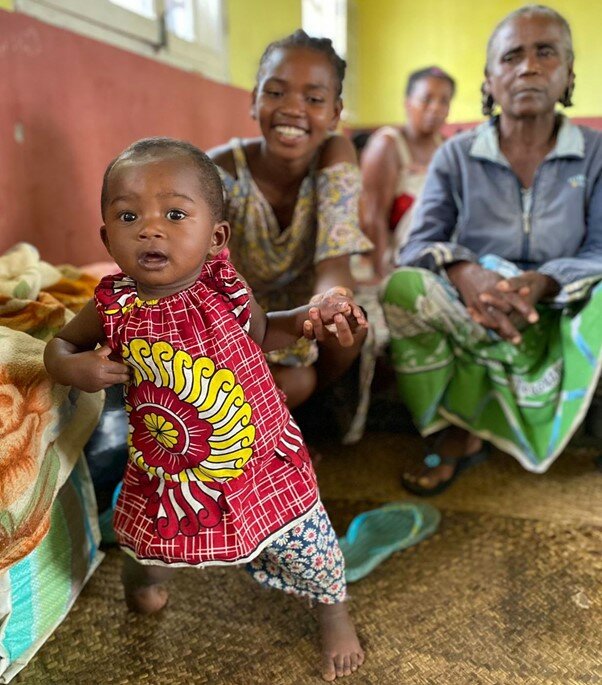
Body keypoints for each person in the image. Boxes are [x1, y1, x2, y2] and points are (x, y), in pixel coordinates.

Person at [44, 138, 367, 681]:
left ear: (215, 236)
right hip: (168, 467)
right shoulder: (112, 303)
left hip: (259, 459)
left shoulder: (222, 286)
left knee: (309, 545)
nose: (150, 228)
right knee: (143, 537)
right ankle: (142, 580)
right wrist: (73, 369)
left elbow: (265, 331)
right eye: (128, 215)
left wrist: (308, 317)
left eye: (174, 213)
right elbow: (60, 346)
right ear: (106, 235)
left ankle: (332, 610)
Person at [380, 5, 602, 495]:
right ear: (488, 81)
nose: (528, 67)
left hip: (566, 304)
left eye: (546, 53)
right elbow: (418, 243)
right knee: (403, 288)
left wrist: (545, 282)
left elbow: (600, 248)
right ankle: (457, 431)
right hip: (474, 304)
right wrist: (465, 272)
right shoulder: (456, 156)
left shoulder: (595, 153)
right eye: (512, 56)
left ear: (567, 74)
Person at [208, 30, 373, 432]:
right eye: (276, 93)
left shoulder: (335, 155)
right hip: (240, 314)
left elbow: (336, 259)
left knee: (348, 325)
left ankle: (312, 417)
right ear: (254, 100)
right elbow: (198, 275)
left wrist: (331, 304)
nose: (293, 109)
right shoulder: (221, 171)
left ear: (335, 114)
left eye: (314, 99)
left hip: (306, 304)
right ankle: (279, 428)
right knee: (287, 383)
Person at [360, 66, 455, 280]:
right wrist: (382, 275)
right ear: (407, 102)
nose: (435, 108)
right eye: (426, 99)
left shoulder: (448, 150)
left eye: (444, 101)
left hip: (440, 256)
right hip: (399, 261)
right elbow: (374, 216)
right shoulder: (387, 145)